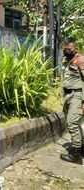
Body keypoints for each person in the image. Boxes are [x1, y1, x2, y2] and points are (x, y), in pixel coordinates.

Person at [60, 37, 84, 165]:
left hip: (77, 95)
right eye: (65, 49)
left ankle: (76, 155)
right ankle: (81, 148)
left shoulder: (80, 59)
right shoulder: (66, 60)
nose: (66, 51)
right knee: (75, 123)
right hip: (68, 96)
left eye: (69, 49)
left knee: (72, 123)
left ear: (75, 48)